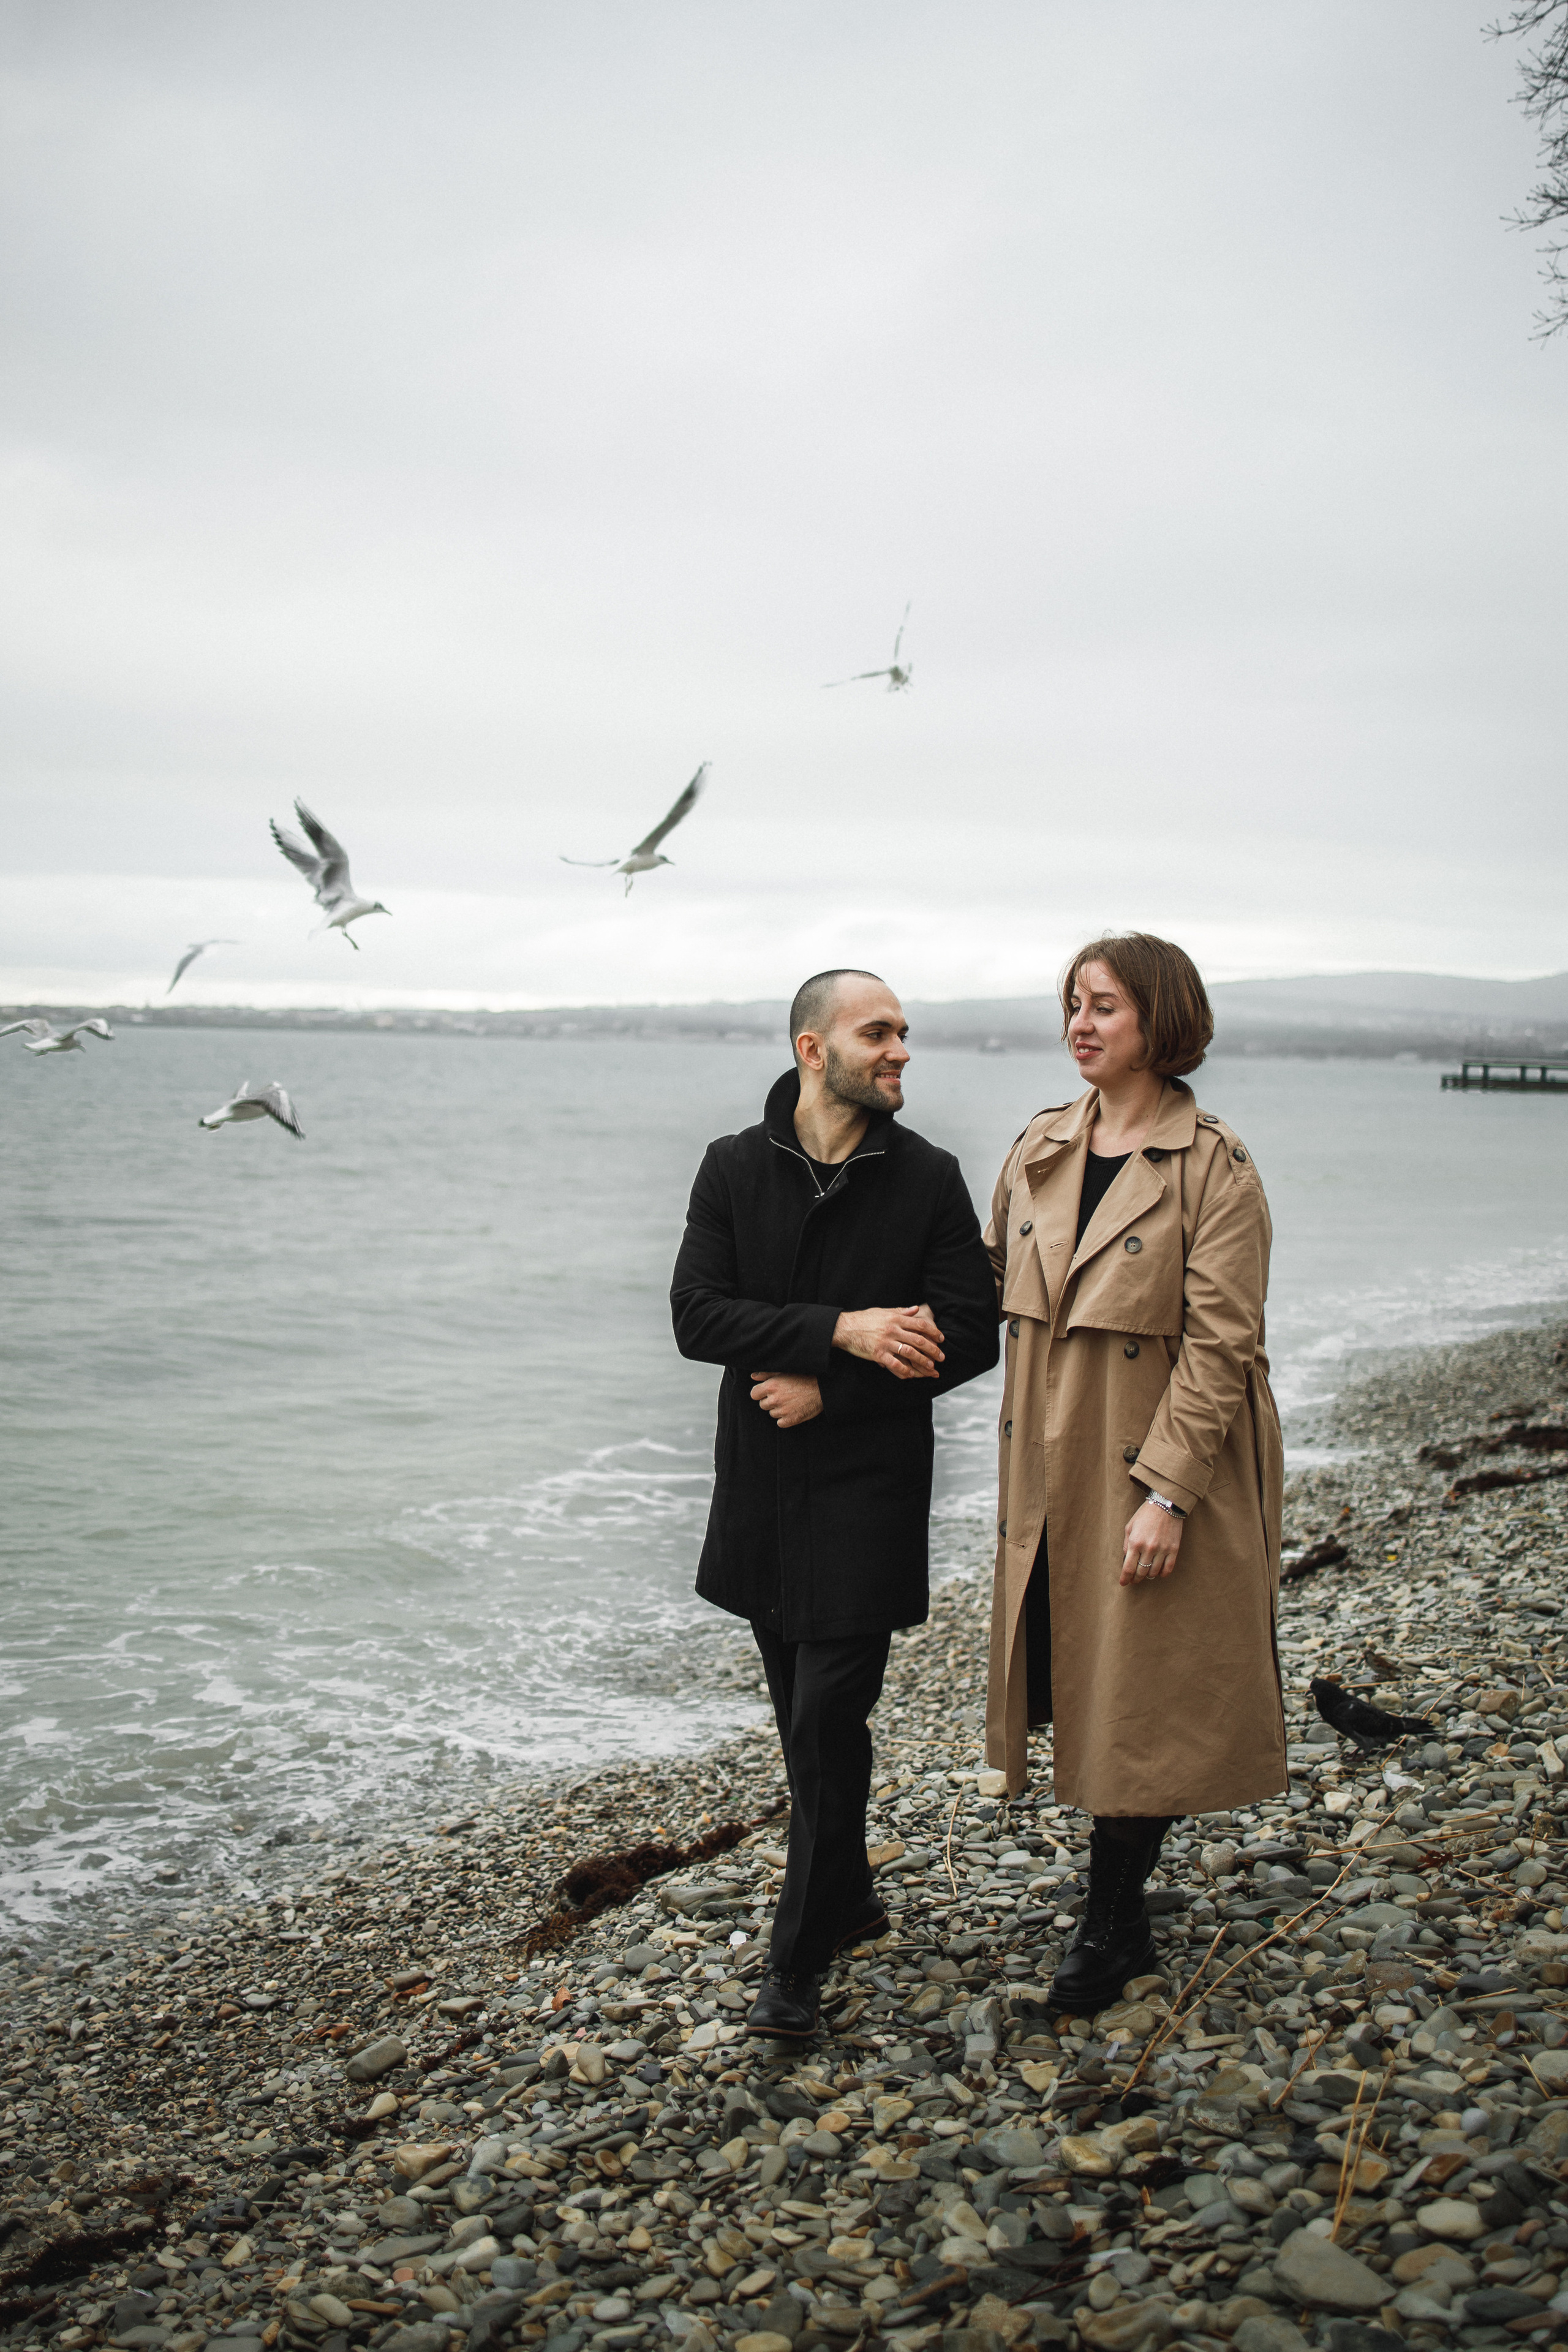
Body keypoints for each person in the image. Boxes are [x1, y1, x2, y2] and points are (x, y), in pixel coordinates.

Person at [671, 969, 1000, 2037]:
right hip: (762, 1492)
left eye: (905, 1033)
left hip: (869, 1487)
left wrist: (835, 1379)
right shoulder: (731, 1167)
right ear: (816, 1051)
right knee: (801, 1726)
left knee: (824, 1721)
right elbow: (697, 1315)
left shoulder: (929, 1178)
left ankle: (796, 1964)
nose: (901, 1049)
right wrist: (843, 1328)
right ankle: (850, 1895)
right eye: (879, 1033)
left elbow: (974, 1331)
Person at [983, 933, 1285, 2015]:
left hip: (1159, 1465)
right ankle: (1116, 1905)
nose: (1079, 1023)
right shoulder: (1038, 1146)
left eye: (1103, 1006)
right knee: (1087, 1677)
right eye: (1072, 1004)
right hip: (1047, 1465)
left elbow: (1223, 1346)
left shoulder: (1215, 1163)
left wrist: (1167, 1493)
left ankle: (1112, 1922)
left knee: (1145, 1689)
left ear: (1160, 1018)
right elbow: (982, 1292)